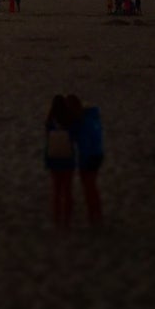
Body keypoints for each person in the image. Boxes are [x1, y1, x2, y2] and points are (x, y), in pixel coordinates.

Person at [66, 94, 103, 226]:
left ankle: (94, 215)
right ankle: (95, 213)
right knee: (91, 186)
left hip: (88, 157)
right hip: (97, 154)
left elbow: (75, 137)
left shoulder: (82, 122)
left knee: (89, 187)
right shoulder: (91, 117)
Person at [45, 94, 75, 229]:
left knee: (56, 190)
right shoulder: (69, 121)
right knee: (67, 190)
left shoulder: (50, 122)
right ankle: (67, 220)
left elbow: (47, 139)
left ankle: (57, 218)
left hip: (55, 158)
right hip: (67, 158)